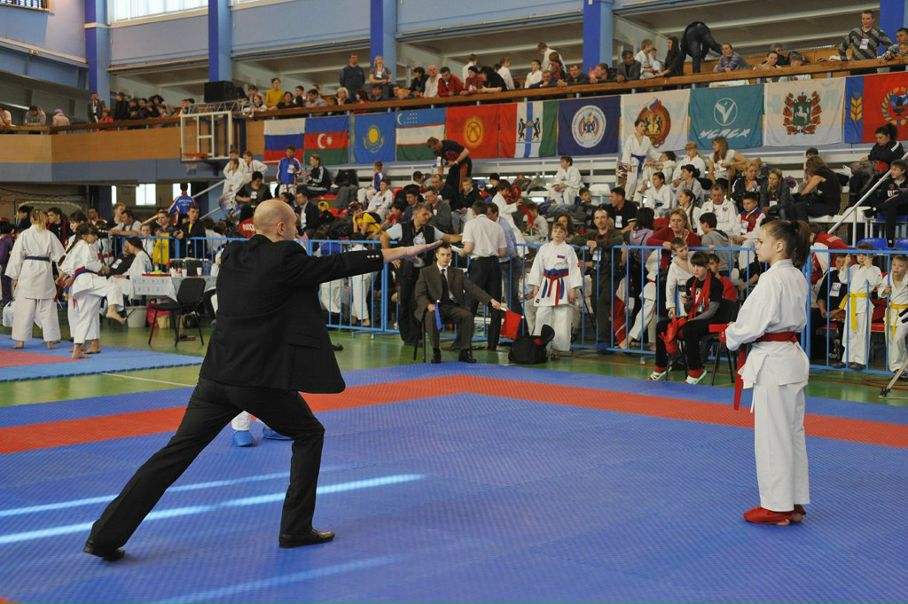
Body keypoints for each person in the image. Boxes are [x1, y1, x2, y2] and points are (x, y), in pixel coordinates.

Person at [83, 200, 439, 561]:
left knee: (174, 454)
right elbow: (337, 265)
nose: (298, 231)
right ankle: (295, 529)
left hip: (216, 375)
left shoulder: (234, 256)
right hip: (256, 380)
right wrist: (400, 252)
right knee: (309, 434)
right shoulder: (286, 258)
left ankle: (105, 536)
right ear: (282, 228)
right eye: (295, 224)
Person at [722, 220, 811, 526]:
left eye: (761, 241)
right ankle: (794, 502)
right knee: (793, 433)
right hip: (791, 359)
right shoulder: (796, 275)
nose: (756, 246)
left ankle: (776, 507)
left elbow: (752, 323)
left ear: (779, 246)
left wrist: (730, 334)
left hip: (774, 362)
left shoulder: (771, 280)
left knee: (773, 437)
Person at [381, 204, 460, 346]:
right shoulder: (401, 227)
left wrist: (467, 236)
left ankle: (416, 336)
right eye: (424, 214)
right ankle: (407, 336)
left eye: (428, 214)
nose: (428, 216)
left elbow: (449, 238)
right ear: (416, 214)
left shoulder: (431, 230)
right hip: (405, 272)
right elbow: (384, 236)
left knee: (418, 303)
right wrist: (392, 257)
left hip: (423, 273)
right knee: (404, 303)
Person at [650, 250, 731, 383]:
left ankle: (696, 370)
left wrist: (691, 320)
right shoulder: (691, 282)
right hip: (694, 318)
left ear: (707, 267)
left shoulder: (716, 284)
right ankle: (661, 366)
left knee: (689, 328)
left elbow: (711, 311)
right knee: (661, 325)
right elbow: (690, 309)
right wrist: (687, 304)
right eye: (693, 266)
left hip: (713, 321)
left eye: (699, 266)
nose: (695, 269)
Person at [415, 243, 502, 363]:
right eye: (443, 255)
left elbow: (472, 288)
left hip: (452, 306)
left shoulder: (457, 273)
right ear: (436, 255)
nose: (446, 258)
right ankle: (436, 350)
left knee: (467, 315)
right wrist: (428, 305)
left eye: (448, 255)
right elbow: (419, 294)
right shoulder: (426, 272)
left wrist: (490, 300)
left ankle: (464, 351)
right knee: (431, 317)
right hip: (434, 307)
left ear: (451, 256)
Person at [59, 224, 127, 359]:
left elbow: (65, 266)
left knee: (85, 316)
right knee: (114, 287)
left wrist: (64, 277)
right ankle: (111, 310)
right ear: (84, 236)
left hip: (79, 283)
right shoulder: (84, 245)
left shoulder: (74, 247)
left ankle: (77, 350)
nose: (96, 237)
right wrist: (103, 268)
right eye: (93, 235)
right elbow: (89, 264)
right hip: (87, 278)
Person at [4, 208, 66, 349]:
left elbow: (17, 256)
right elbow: (61, 257)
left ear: (31, 219)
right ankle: (50, 340)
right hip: (44, 271)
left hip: (28, 271)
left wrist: (15, 277)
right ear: (45, 219)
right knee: (48, 307)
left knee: (23, 307)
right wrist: (63, 273)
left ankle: (20, 341)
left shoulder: (24, 235)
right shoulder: (50, 235)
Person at [527, 222, 582, 358]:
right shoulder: (544, 248)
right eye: (555, 231)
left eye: (561, 231)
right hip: (547, 284)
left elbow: (574, 270)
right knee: (542, 314)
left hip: (563, 284)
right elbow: (537, 268)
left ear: (565, 235)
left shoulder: (569, 249)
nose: (557, 233)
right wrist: (536, 286)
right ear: (551, 233)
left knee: (563, 316)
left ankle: (561, 348)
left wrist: (573, 289)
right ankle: (540, 345)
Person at [459, 200, 506, 350]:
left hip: (478, 265)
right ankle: (492, 344)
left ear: (473, 211)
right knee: (495, 305)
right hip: (494, 265)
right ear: (486, 211)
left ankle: (464, 342)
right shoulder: (497, 226)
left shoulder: (471, 224)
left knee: (470, 303)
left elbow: (468, 247)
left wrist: (462, 253)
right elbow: (502, 252)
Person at [835, 243, 882, 371]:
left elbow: (875, 282)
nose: (861, 257)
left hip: (863, 303)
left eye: (864, 255)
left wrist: (868, 266)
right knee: (849, 332)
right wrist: (845, 265)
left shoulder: (874, 269)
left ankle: (860, 361)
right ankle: (847, 359)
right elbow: (843, 279)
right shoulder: (854, 268)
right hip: (851, 303)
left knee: (862, 333)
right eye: (859, 254)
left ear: (871, 256)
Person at [587, 208, 624, 350]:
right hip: (596, 272)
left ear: (608, 219)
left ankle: (603, 339)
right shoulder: (592, 234)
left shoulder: (615, 233)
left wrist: (598, 244)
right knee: (595, 302)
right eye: (597, 218)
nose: (600, 220)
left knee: (603, 302)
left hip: (611, 273)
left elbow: (618, 240)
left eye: (603, 217)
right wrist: (589, 243)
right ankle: (606, 335)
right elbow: (576, 239)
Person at [879, 254, 908, 373]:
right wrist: (884, 291)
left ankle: (901, 366)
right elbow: (880, 291)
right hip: (891, 312)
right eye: (894, 265)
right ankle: (896, 368)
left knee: (898, 338)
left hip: (905, 313)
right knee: (890, 339)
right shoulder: (888, 277)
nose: (896, 268)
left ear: (906, 268)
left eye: (900, 266)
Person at [621, 119, 660, 202]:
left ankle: (637, 203)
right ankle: (625, 201)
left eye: (644, 126)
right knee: (631, 183)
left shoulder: (647, 139)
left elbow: (651, 151)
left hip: (643, 164)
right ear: (636, 127)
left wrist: (660, 157)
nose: (643, 128)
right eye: (641, 126)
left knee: (642, 184)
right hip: (633, 163)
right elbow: (627, 151)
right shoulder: (631, 138)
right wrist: (627, 163)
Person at [427, 137, 471, 207]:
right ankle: (450, 204)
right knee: (448, 185)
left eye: (435, 148)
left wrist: (456, 162)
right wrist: (439, 176)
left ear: (438, 142)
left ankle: (461, 206)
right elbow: (439, 163)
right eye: (433, 149)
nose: (434, 150)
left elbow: (466, 151)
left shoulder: (450, 144)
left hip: (464, 165)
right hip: (454, 166)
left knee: (459, 187)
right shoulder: (437, 151)